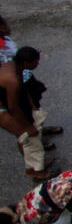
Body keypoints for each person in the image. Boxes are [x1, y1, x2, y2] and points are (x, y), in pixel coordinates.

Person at [0, 48, 53, 181]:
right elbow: (13, 107)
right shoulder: (12, 80)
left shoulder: (12, 66)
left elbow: (22, 91)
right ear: (26, 62)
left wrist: (32, 106)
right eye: (35, 62)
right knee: (29, 138)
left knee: (28, 138)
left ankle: (35, 165)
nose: (37, 64)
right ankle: (36, 171)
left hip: (7, 106)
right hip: (3, 111)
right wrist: (27, 126)